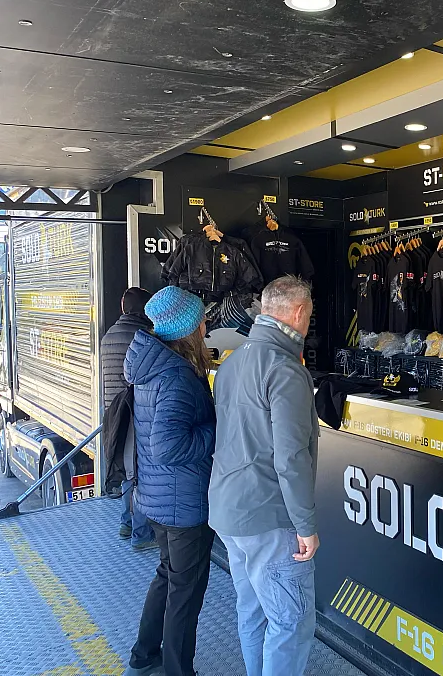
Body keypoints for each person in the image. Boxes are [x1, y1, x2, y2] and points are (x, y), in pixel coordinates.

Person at [209, 275, 319, 676]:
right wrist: (306, 525)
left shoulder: (232, 362)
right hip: (269, 516)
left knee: (253, 612)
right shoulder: (286, 370)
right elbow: (291, 458)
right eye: (309, 315)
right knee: (290, 623)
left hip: (229, 511)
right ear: (299, 312)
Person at [123, 286, 216, 676]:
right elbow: (168, 446)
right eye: (201, 320)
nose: (206, 325)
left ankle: (144, 655)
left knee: (168, 576)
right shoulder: (176, 376)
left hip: (159, 497)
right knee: (185, 594)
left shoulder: (155, 366)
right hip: (182, 504)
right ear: (187, 329)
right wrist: (217, 429)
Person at [100, 287, 156, 550]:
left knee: (126, 471)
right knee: (141, 475)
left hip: (113, 413)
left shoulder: (110, 334)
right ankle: (141, 534)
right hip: (134, 413)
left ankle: (126, 523)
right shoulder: (142, 336)